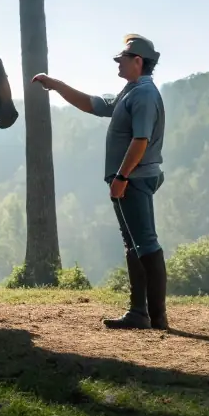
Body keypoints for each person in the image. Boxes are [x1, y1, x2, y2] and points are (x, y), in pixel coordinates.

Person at [32, 34, 168, 330]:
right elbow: (92, 104)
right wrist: (55, 85)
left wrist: (122, 176)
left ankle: (155, 317)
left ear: (138, 62)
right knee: (134, 244)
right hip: (131, 179)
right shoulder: (130, 91)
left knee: (144, 243)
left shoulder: (143, 94)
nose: (117, 63)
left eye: (122, 59)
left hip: (134, 179)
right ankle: (139, 312)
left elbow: (141, 140)